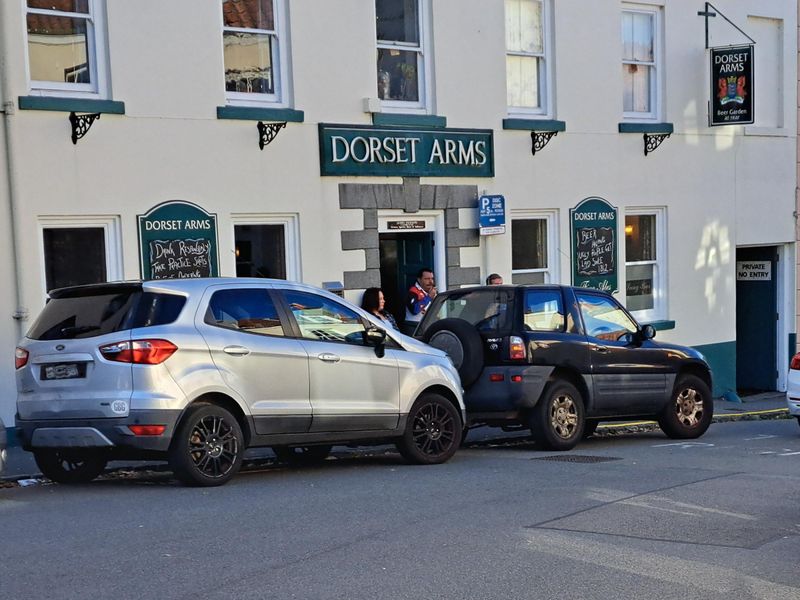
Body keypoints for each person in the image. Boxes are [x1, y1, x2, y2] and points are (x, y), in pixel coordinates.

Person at [404, 267, 437, 334]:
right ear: (419, 280)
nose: (430, 282)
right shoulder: (413, 292)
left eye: (432, 278)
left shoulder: (433, 292)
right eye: (427, 279)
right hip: (414, 326)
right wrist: (429, 297)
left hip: (428, 326)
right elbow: (414, 310)